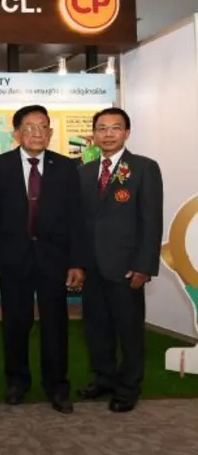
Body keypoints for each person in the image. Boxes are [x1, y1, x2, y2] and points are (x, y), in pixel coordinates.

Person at [0, 105, 83, 414]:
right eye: (29, 127)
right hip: (13, 258)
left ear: (50, 132)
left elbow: (76, 219)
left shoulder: (66, 167)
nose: (37, 133)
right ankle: (16, 382)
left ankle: (57, 386)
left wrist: (76, 262)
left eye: (43, 127)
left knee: (55, 324)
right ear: (17, 133)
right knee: (15, 323)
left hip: (54, 259)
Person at [77, 107, 163, 413]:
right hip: (92, 267)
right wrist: (78, 262)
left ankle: (128, 387)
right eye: (102, 128)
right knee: (96, 328)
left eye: (115, 128)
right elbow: (80, 221)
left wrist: (144, 266)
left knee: (129, 331)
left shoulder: (143, 168)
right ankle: (103, 378)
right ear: (94, 134)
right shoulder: (84, 171)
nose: (108, 134)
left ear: (126, 133)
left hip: (127, 267)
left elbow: (151, 221)